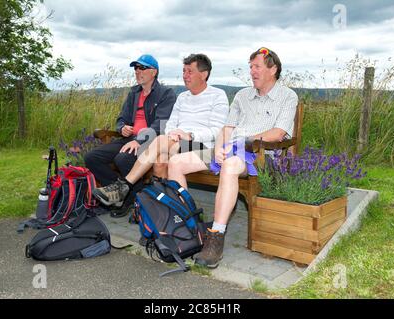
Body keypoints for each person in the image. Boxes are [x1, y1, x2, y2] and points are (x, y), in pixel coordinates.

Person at [167, 47, 299, 268]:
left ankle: (215, 237)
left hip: (260, 154)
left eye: (256, 67)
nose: (252, 72)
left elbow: (277, 133)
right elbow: (226, 128)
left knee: (229, 165)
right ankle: (189, 227)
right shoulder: (242, 95)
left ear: (273, 69)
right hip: (230, 148)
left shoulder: (287, 96)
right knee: (175, 162)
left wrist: (241, 143)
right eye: (251, 67)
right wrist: (219, 147)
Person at [92, 53, 230, 207]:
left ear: (204, 74)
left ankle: (124, 186)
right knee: (159, 161)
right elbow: (170, 123)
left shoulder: (217, 95)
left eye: (189, 71)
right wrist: (174, 134)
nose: (185, 75)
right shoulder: (182, 97)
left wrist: (189, 135)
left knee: (161, 142)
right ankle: (165, 208)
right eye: (184, 71)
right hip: (176, 143)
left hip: (202, 146)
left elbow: (218, 130)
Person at [84, 54, 176, 217]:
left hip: (151, 142)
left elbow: (161, 124)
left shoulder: (165, 94)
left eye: (142, 68)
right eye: (136, 68)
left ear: (154, 72)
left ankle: (127, 201)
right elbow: (121, 118)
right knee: (92, 157)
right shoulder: (134, 93)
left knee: (123, 158)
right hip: (128, 139)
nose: (137, 72)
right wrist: (122, 128)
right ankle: (121, 194)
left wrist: (139, 140)